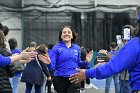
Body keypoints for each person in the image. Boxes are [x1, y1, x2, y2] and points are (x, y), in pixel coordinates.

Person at [69, 5, 140, 93]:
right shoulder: (131, 45)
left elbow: (115, 64)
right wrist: (109, 57)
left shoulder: (134, 44)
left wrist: (88, 73)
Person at [41, 26, 91, 93]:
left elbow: (78, 63)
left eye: (69, 32)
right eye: (64, 32)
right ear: (61, 36)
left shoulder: (77, 48)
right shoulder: (56, 48)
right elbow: (52, 67)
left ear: (72, 36)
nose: (66, 34)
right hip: (60, 79)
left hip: (74, 77)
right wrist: (49, 63)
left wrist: (86, 62)